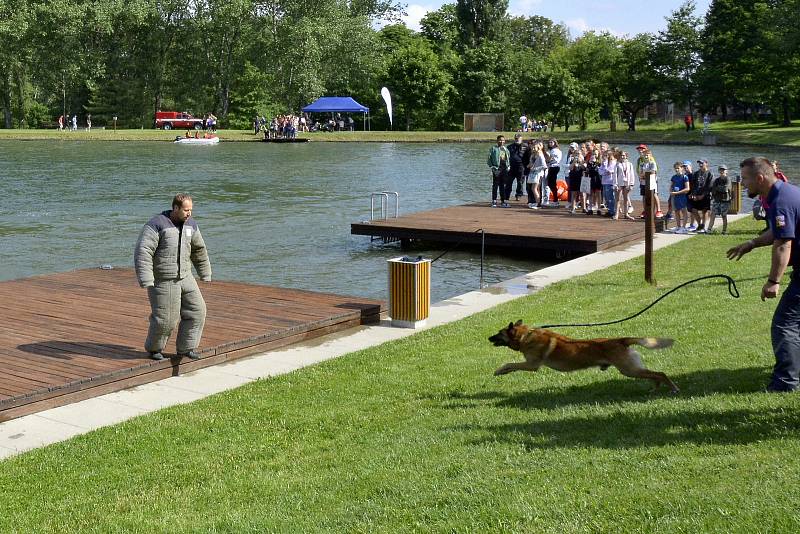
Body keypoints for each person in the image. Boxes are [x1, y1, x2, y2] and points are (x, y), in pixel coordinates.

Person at [727, 156, 800, 392]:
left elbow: (783, 243)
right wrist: (752, 243)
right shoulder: (783, 193)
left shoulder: (781, 201)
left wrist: (773, 282)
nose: (743, 184)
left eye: (746, 179)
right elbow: (777, 231)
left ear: (760, 178)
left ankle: (785, 383)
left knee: (785, 324)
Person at [134, 194, 212, 361]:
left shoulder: (191, 225)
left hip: (186, 276)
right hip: (163, 279)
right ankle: (154, 349)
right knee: (166, 320)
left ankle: (186, 348)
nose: (189, 213)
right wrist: (146, 279)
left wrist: (205, 273)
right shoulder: (156, 224)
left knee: (198, 311)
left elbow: (199, 250)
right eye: (186, 210)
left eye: (191, 210)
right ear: (175, 208)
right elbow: (144, 251)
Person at [688, 159, 713, 233]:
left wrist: (703, 195)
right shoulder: (696, 173)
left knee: (704, 211)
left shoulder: (710, 174)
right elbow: (693, 185)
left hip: (705, 196)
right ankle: (700, 225)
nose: (700, 165)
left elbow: (710, 186)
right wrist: (693, 194)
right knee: (693, 210)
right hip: (696, 195)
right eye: (699, 163)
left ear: (706, 163)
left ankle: (703, 227)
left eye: (702, 163)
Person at [487, 135, 511, 208]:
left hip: (504, 168)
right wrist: (492, 167)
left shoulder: (505, 149)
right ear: (497, 141)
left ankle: (503, 201)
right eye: (500, 140)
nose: (501, 141)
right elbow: (489, 159)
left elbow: (508, 158)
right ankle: (494, 201)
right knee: (495, 185)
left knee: (503, 185)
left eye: (503, 140)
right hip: (497, 168)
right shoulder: (493, 149)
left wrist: (508, 166)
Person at [707, 164, 732, 234]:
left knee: (724, 216)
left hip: (725, 201)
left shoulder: (728, 179)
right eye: (720, 170)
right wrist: (719, 188)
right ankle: (709, 229)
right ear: (718, 171)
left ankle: (724, 231)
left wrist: (718, 188)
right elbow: (713, 190)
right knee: (713, 215)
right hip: (717, 200)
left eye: (723, 170)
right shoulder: (716, 180)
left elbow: (725, 189)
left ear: (726, 171)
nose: (722, 171)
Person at [668, 162, 690, 233]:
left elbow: (687, 188)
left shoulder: (685, 177)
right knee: (676, 211)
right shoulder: (673, 177)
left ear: (682, 168)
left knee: (684, 211)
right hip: (675, 197)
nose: (676, 170)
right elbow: (671, 186)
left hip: (682, 196)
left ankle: (684, 228)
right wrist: (671, 190)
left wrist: (677, 192)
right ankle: (678, 226)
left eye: (678, 168)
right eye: (675, 168)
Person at [507, 133, 528, 201]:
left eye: (518, 138)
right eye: (516, 138)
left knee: (520, 182)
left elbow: (529, 156)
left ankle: (518, 195)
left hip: (521, 167)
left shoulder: (526, 146)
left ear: (521, 139)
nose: (517, 140)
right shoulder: (509, 147)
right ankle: (506, 195)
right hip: (511, 167)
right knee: (508, 182)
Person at [544, 139, 562, 207]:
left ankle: (555, 200)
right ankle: (555, 199)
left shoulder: (555, 150)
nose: (550, 144)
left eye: (551, 142)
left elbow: (549, 159)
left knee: (551, 184)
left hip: (554, 167)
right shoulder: (554, 150)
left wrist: (545, 155)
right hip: (553, 167)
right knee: (551, 183)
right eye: (549, 142)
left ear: (555, 143)